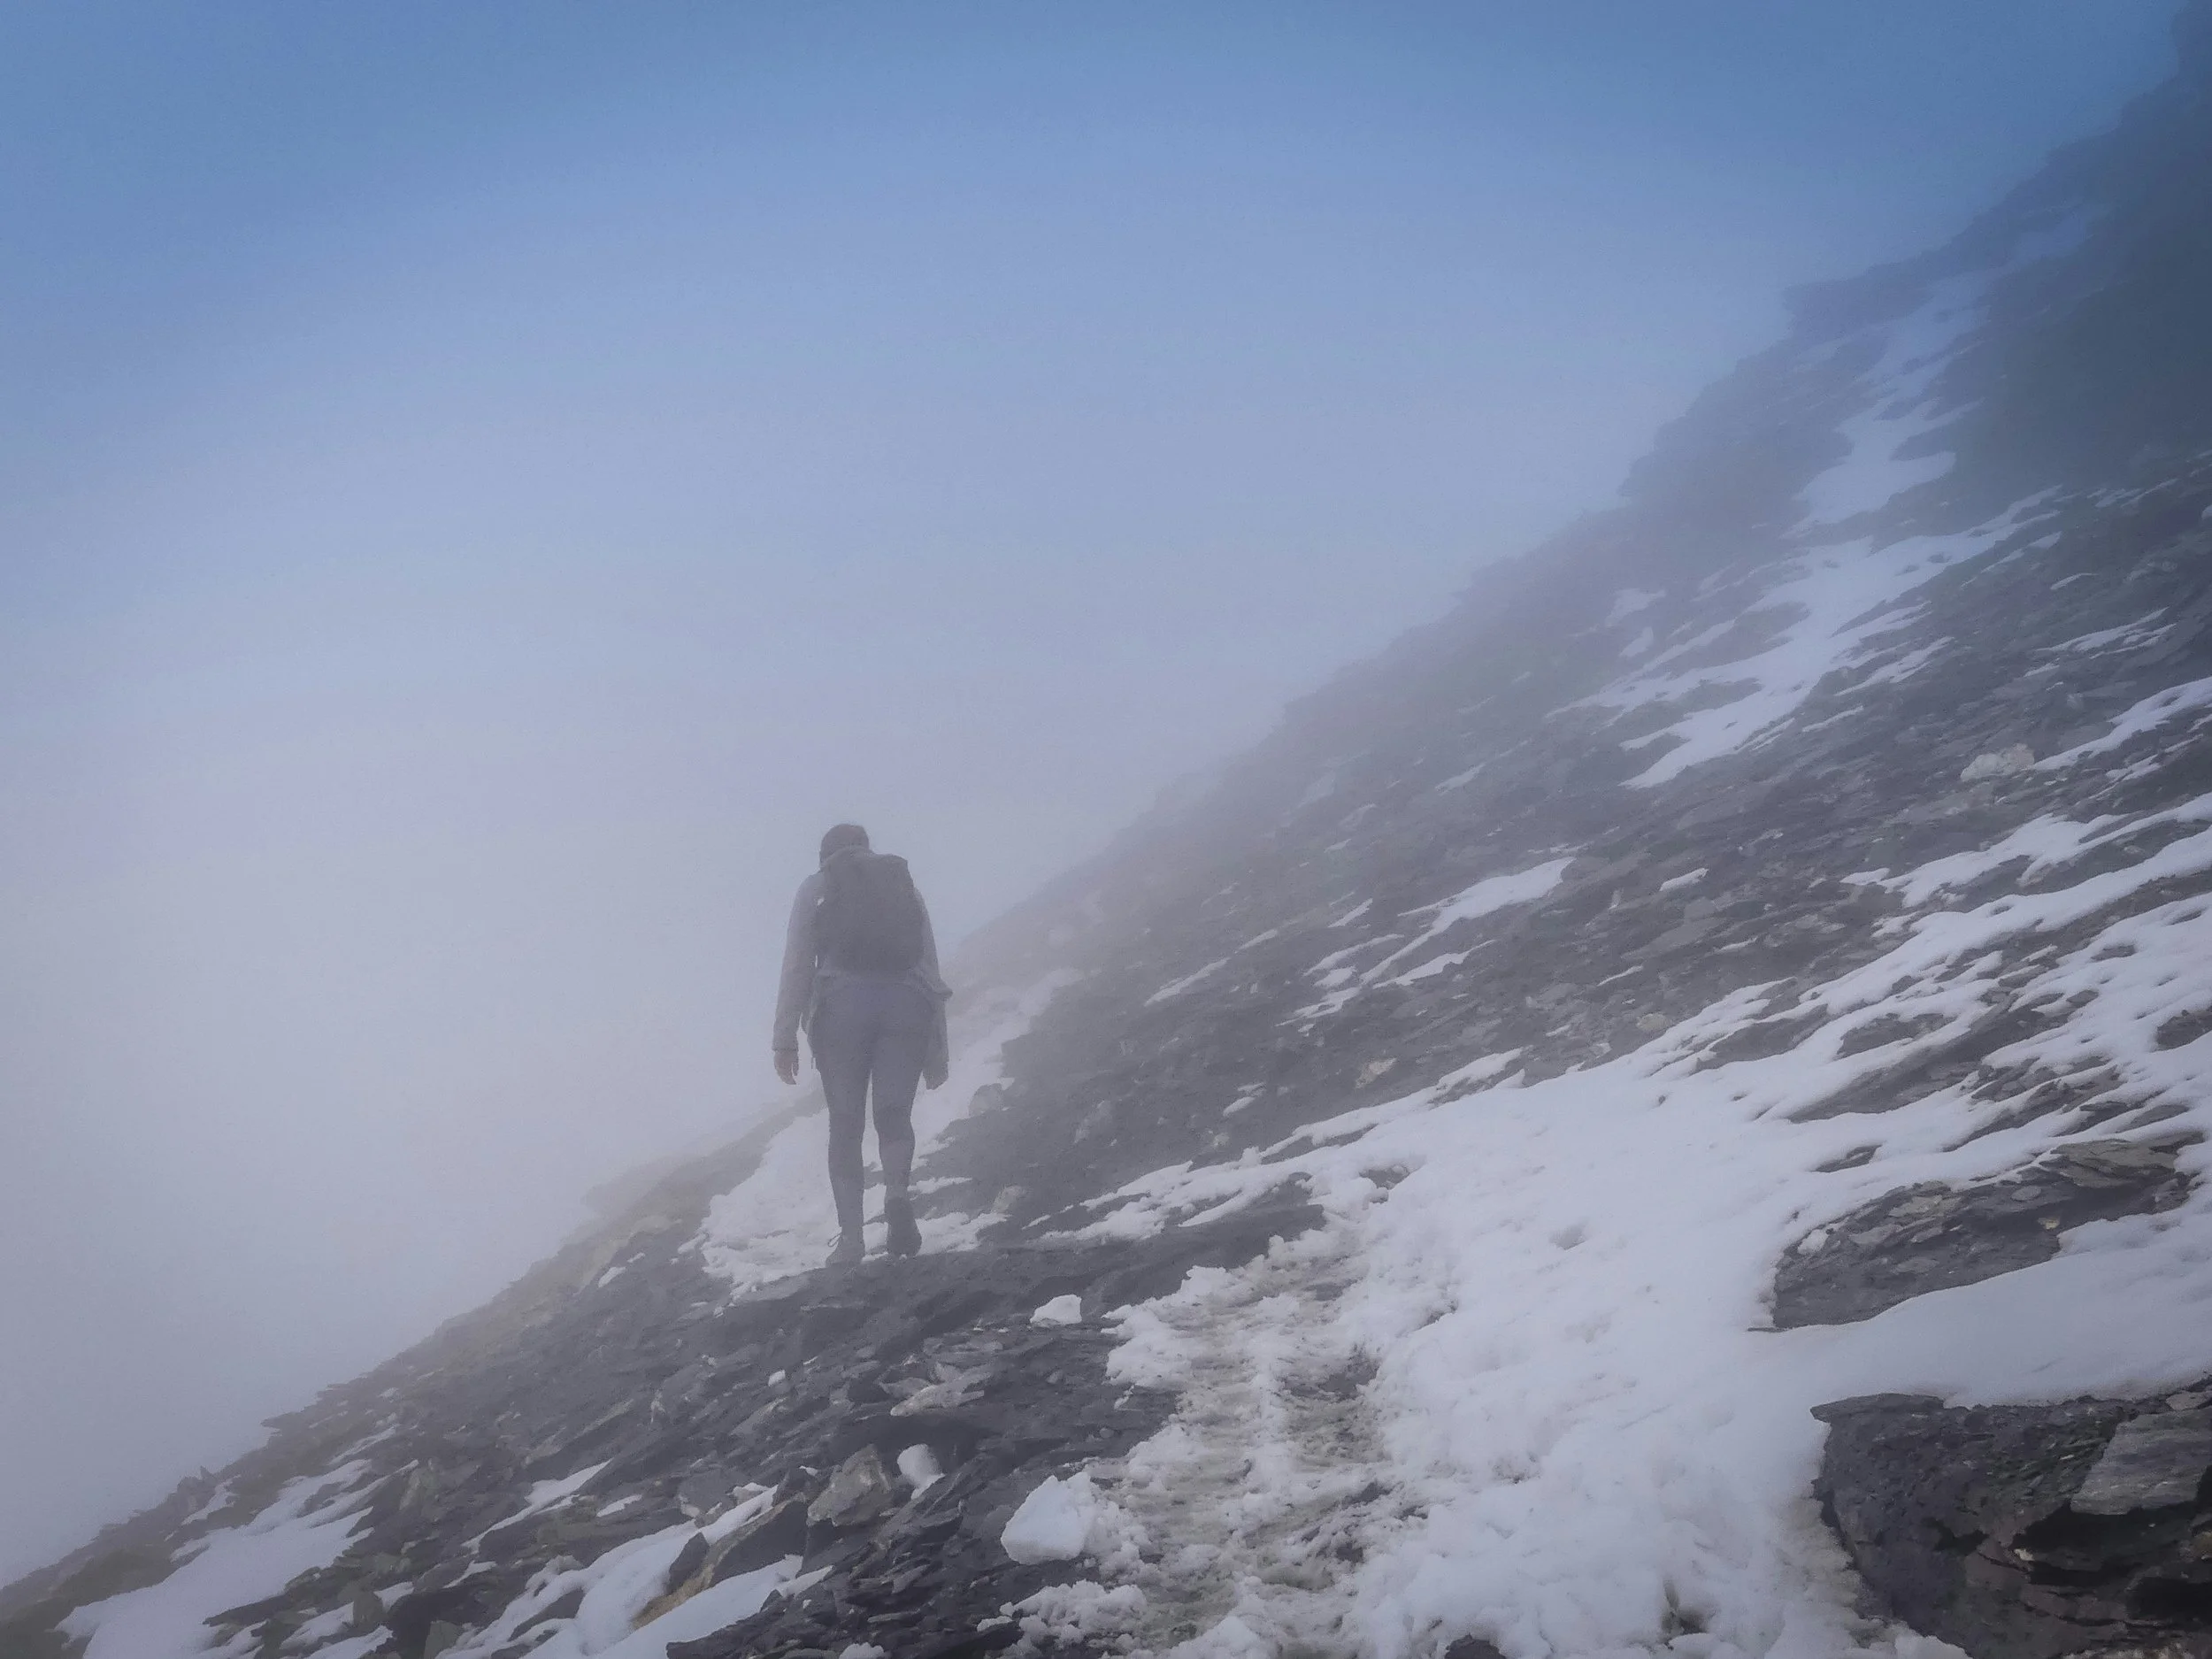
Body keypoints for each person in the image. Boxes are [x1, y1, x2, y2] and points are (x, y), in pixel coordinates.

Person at [772, 824, 951, 1265]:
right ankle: (895, 1195)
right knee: (894, 1114)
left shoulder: (816, 888)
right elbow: (928, 963)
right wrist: (937, 1049)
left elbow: (797, 962)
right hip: (906, 1005)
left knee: (846, 1123)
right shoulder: (902, 883)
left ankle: (852, 1239)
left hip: (842, 1009)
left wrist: (784, 1038)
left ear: (824, 856)